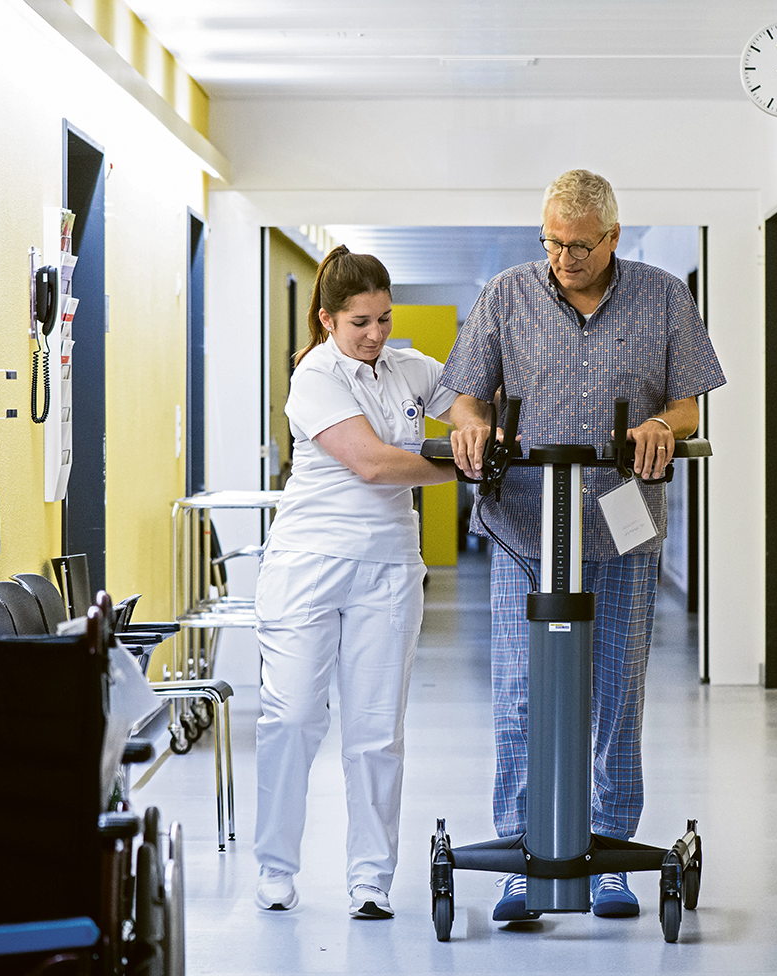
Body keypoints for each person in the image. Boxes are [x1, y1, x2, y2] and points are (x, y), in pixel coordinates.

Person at [441, 169, 725, 921]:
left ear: (612, 238)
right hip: (524, 528)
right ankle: (522, 854)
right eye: (552, 242)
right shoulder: (507, 294)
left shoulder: (664, 294)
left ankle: (609, 855)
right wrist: (471, 422)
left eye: (578, 245)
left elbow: (688, 404)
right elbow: (467, 392)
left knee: (616, 697)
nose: (563, 258)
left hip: (621, 527)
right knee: (517, 697)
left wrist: (666, 426)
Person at [254, 245, 458, 919]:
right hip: (309, 566)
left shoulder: (410, 369)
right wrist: (465, 469)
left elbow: (469, 411)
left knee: (376, 731)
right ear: (327, 320)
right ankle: (275, 867)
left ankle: (370, 881)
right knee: (293, 718)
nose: (375, 335)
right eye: (360, 323)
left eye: (384, 319)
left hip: (387, 569)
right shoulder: (314, 375)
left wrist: (478, 431)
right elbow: (372, 465)